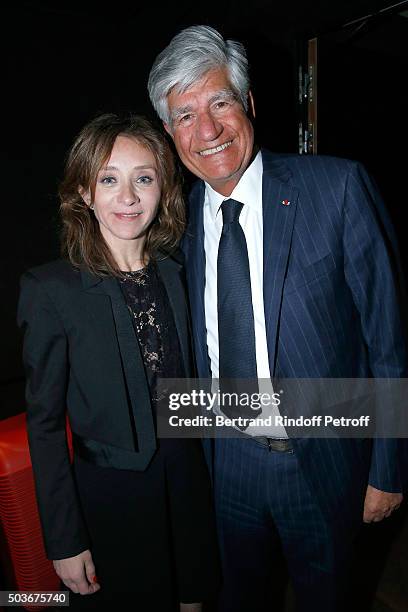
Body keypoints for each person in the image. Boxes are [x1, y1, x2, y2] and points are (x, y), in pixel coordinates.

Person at [148, 26, 407, 612]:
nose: (207, 129)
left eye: (220, 102)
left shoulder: (337, 188)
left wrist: (389, 467)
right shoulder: (174, 228)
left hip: (323, 461)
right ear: (169, 133)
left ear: (250, 105)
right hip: (224, 462)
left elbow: (388, 340)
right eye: (185, 115)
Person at [17, 113, 220, 611]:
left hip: (190, 484)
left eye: (143, 178)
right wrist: (64, 540)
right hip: (111, 502)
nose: (127, 197)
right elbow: (43, 426)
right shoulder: (50, 291)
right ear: (85, 192)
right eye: (109, 179)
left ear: (163, 189)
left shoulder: (181, 273)